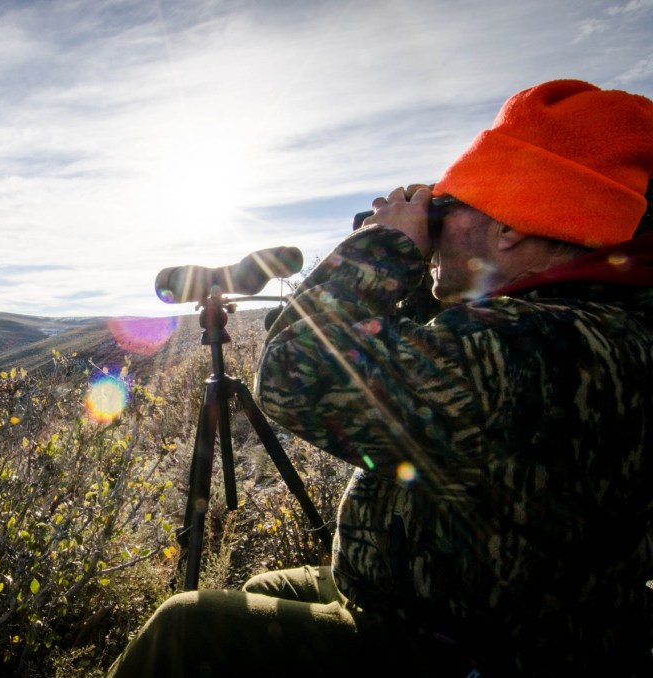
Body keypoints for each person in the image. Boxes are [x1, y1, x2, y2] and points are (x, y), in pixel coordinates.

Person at [108, 79, 653, 676]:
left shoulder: (539, 344)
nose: (432, 234)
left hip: (475, 647)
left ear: (511, 226)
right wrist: (417, 265)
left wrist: (387, 245)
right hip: (468, 599)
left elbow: (296, 371)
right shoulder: (585, 317)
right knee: (266, 587)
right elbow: (419, 354)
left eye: (447, 209)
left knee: (186, 629)